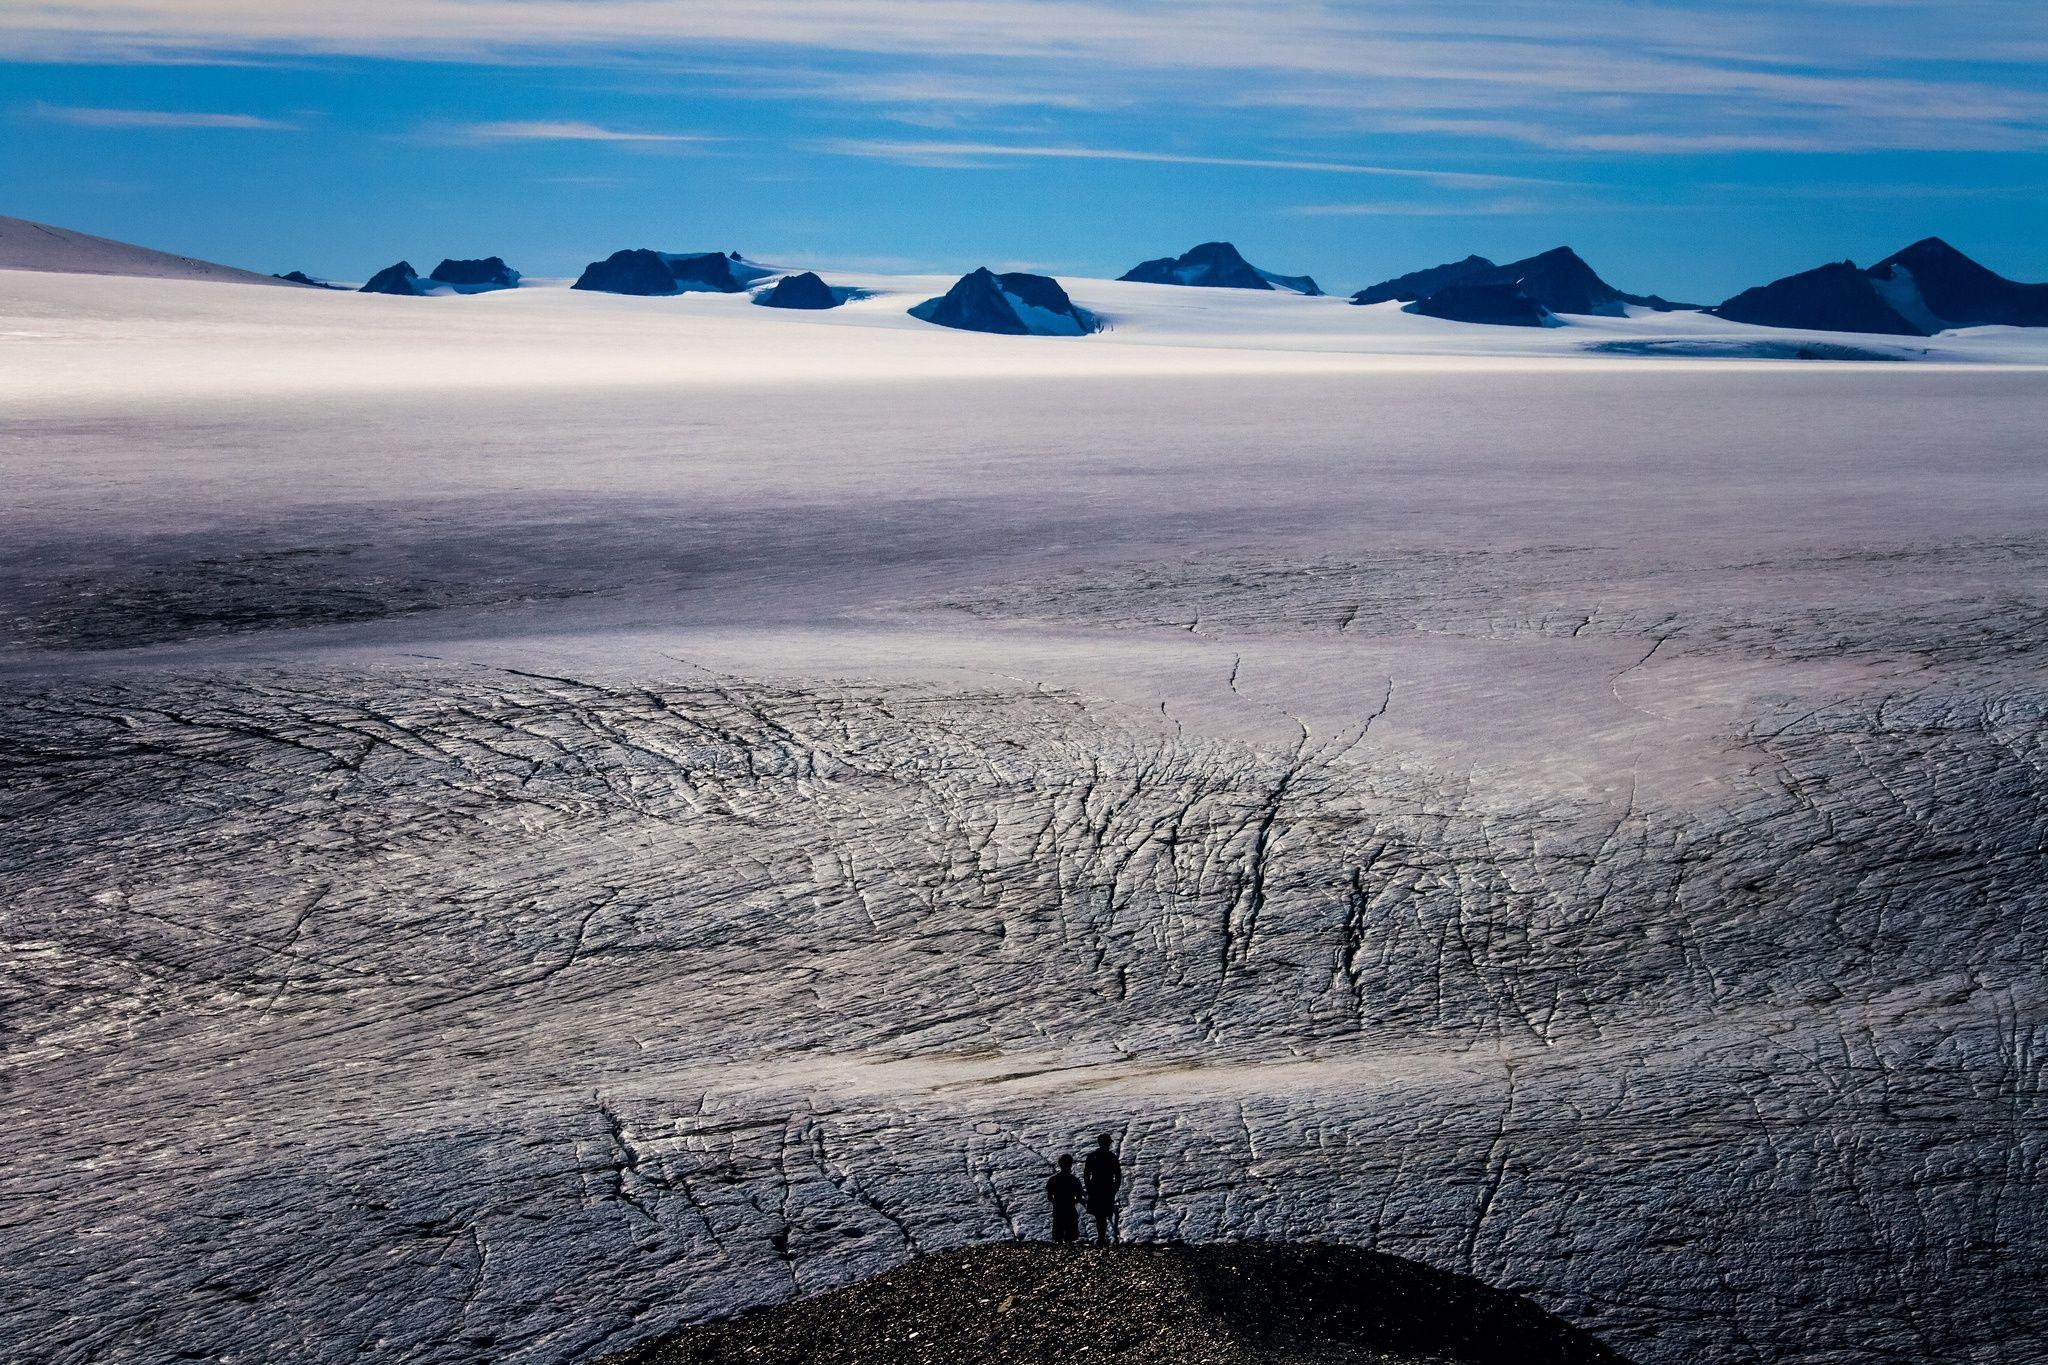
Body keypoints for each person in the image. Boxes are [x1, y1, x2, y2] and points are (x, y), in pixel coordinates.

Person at [1083, 1134, 1122, 1244]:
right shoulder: (1112, 1157)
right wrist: (1115, 1188)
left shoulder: (1092, 1156)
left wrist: (1089, 1187)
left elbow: (1086, 1175)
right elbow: (1118, 1176)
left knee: (1099, 1215)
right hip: (1106, 1189)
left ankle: (1102, 1238)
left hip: (1097, 1189)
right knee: (1103, 1214)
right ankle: (1104, 1238)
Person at [1046, 1154, 1085, 1244]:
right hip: (1070, 1208)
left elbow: (1049, 1197)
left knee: (1058, 1235)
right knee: (1070, 1236)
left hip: (1058, 1208)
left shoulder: (1053, 1179)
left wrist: (1056, 1202)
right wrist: (1072, 1201)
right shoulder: (1074, 1180)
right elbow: (1079, 1197)